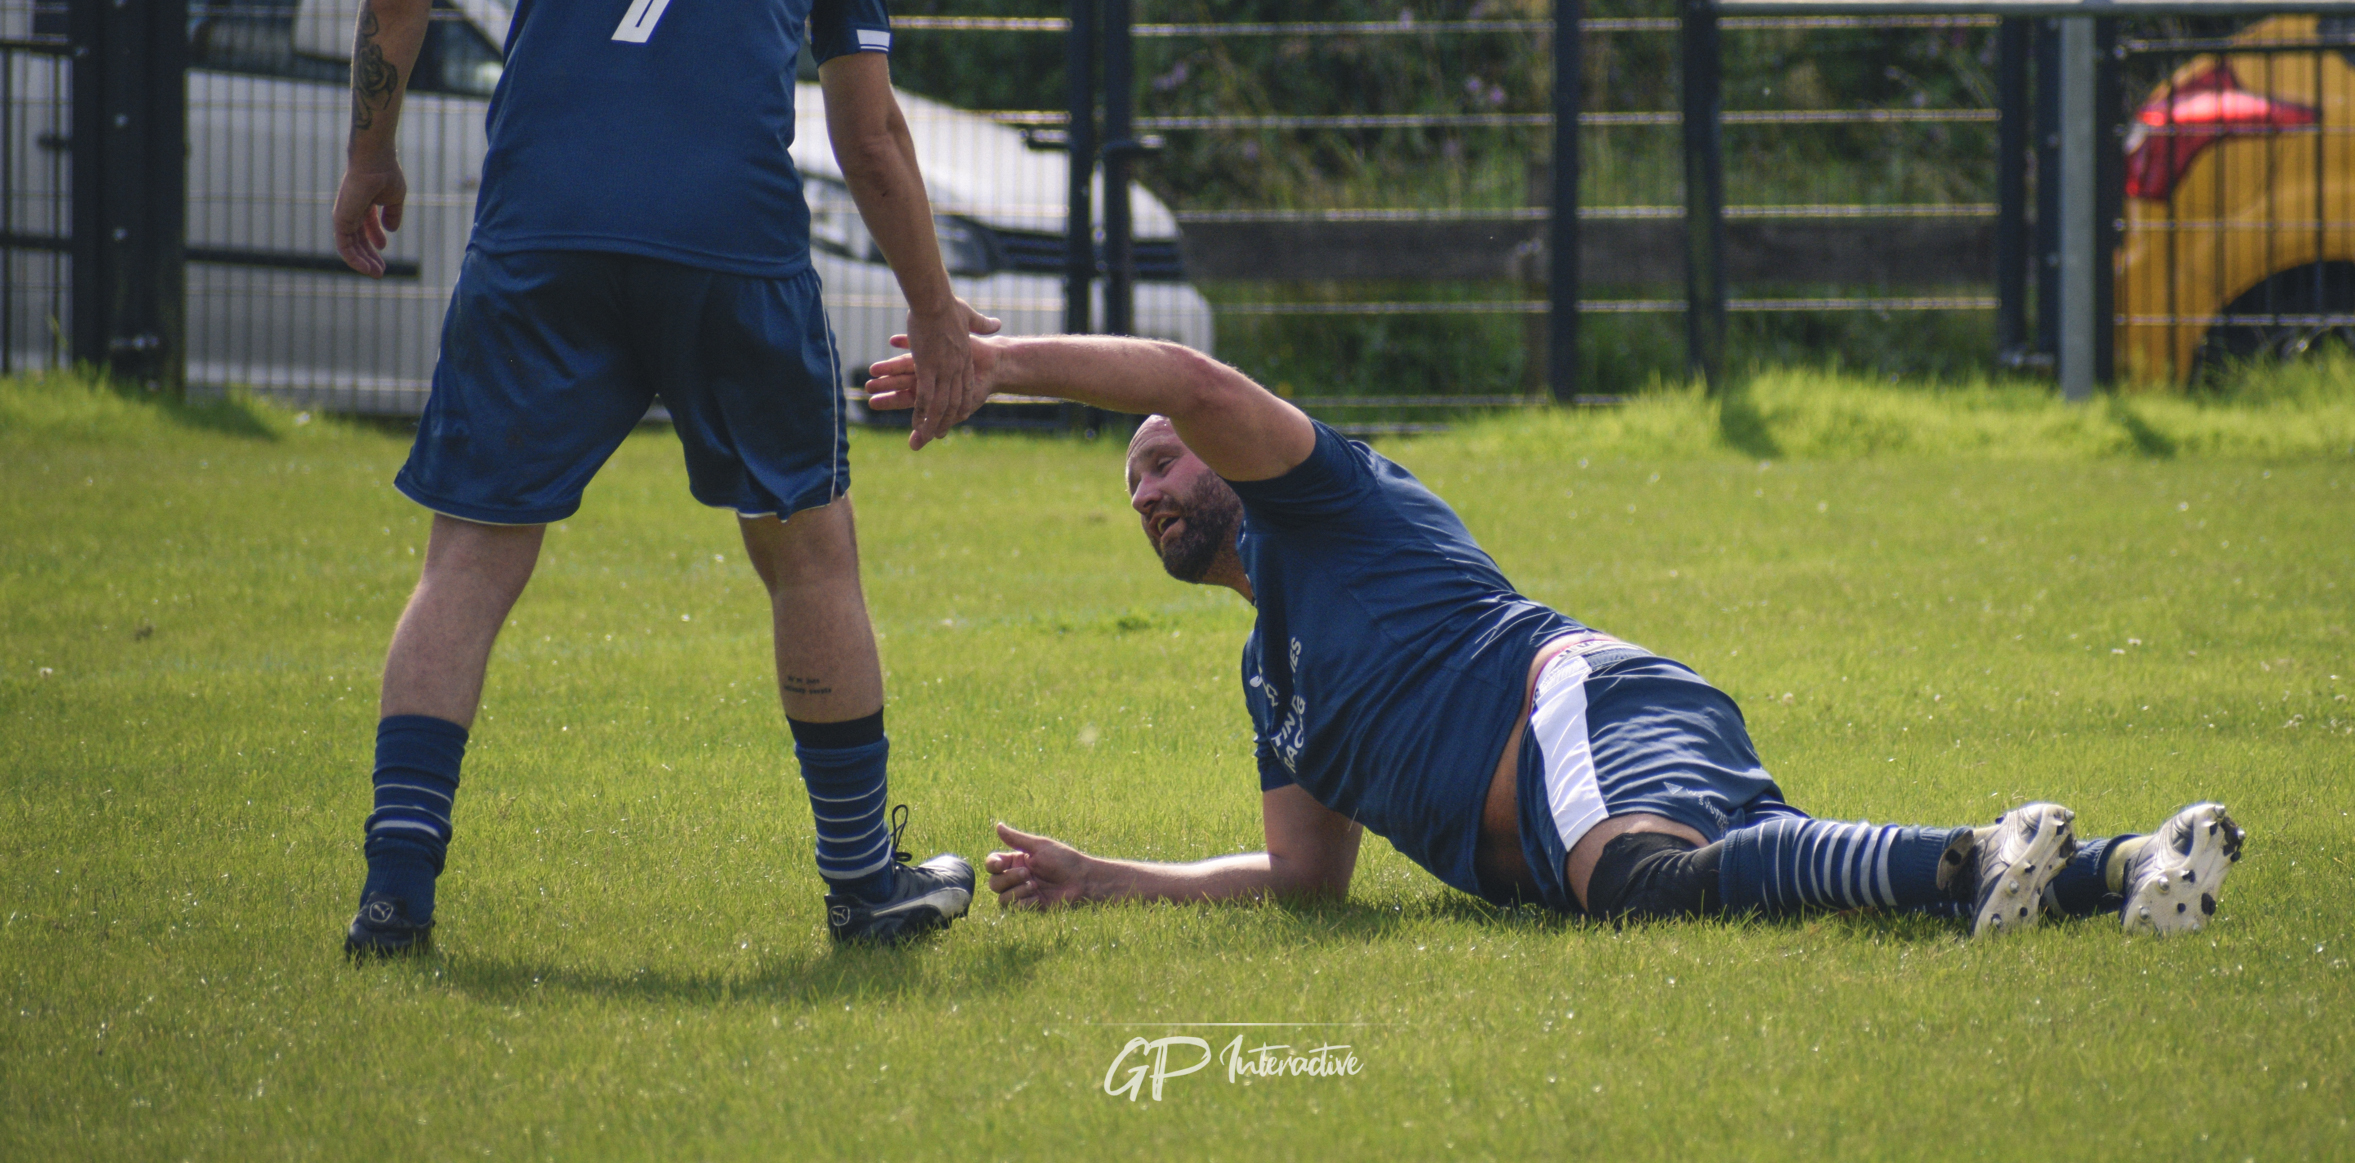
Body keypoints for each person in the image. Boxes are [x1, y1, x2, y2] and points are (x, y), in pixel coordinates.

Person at [330, 0, 987, 958]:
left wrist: (369, 157)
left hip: (544, 237)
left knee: (469, 559)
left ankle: (395, 902)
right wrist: (935, 310)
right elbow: (870, 136)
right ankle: (863, 887)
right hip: (728, 244)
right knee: (805, 550)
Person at [865, 333, 2246, 935]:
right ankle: (2120, 872)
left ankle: (1969, 853)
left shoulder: (1332, 504)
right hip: (1596, 768)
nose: (1154, 487)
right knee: (1748, 886)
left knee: (1639, 886)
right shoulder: (1267, 676)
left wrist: (997, 365)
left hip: (1575, 703)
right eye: (1134, 487)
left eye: (1165, 461)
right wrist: (1107, 877)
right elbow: (1305, 884)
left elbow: (1182, 376)